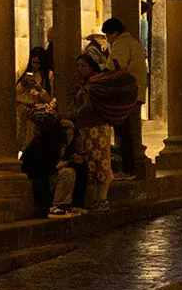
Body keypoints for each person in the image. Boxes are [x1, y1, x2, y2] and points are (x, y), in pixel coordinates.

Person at [20, 105, 87, 218]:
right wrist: (58, 167)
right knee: (67, 173)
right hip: (36, 182)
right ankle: (57, 207)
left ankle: (69, 205)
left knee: (73, 170)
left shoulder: (57, 146)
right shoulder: (39, 147)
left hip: (48, 177)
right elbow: (39, 173)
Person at [70, 54, 115, 211]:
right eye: (78, 66)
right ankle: (96, 199)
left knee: (100, 162)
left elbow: (88, 106)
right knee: (91, 162)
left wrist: (72, 115)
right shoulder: (87, 83)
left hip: (97, 127)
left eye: (83, 65)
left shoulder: (94, 83)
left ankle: (101, 199)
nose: (79, 69)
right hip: (89, 128)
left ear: (91, 66)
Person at [103, 17, 146, 178]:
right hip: (136, 91)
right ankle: (131, 168)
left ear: (115, 33)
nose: (107, 39)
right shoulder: (134, 43)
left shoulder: (122, 44)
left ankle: (128, 169)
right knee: (130, 132)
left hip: (127, 94)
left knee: (125, 132)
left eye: (108, 35)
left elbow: (114, 67)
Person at [16, 59, 54, 151]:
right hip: (22, 109)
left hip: (38, 112)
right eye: (33, 62)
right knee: (19, 141)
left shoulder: (48, 75)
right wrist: (22, 84)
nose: (35, 65)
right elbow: (14, 93)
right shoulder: (22, 72)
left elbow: (50, 98)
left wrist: (39, 89)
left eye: (38, 63)